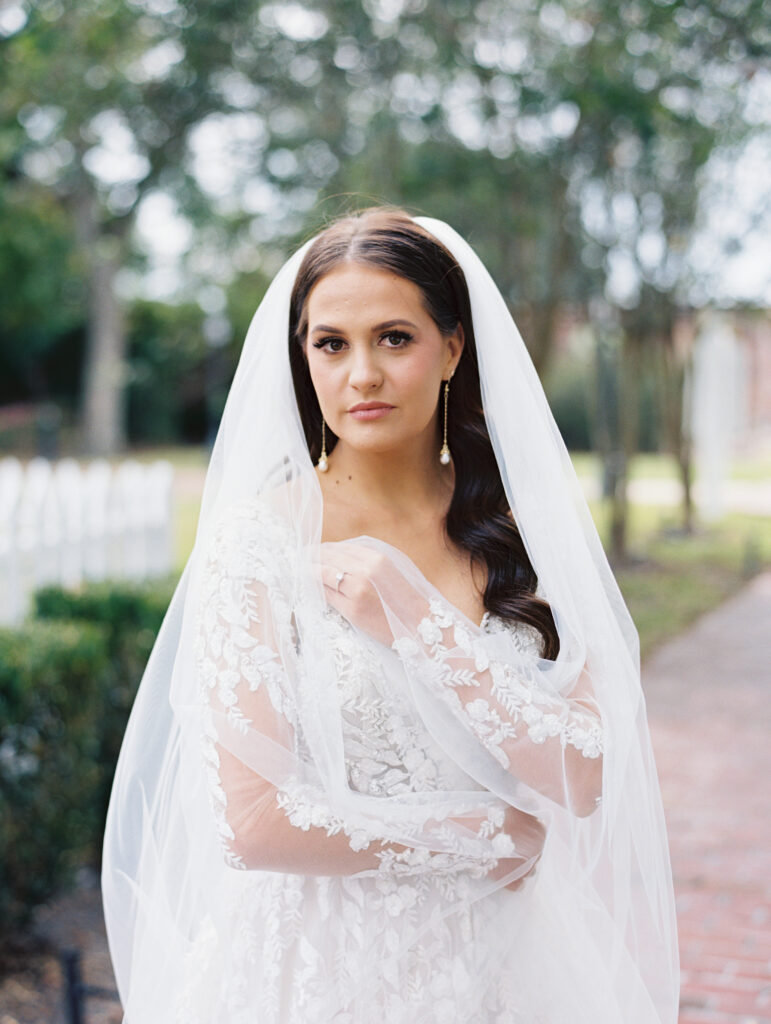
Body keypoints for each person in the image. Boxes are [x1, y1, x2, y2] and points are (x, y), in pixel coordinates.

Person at [102, 208, 679, 1023]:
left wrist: (418, 620)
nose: (361, 374)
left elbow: (580, 777)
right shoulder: (259, 542)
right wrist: (481, 833)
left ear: (451, 348)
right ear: (302, 359)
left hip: (501, 966)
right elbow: (255, 823)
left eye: (394, 338)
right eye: (331, 344)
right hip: (317, 973)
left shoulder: (521, 537)